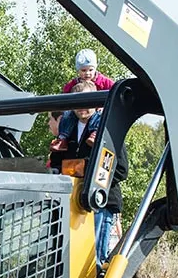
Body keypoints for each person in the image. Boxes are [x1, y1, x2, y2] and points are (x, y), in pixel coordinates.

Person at [49, 86, 130, 264]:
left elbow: (121, 169)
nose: (82, 107)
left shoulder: (107, 131)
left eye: (87, 102)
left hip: (99, 202)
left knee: (94, 260)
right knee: (69, 260)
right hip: (72, 203)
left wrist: (89, 174)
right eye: (78, 103)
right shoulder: (67, 130)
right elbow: (56, 162)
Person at [49, 49, 115, 137]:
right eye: (83, 70)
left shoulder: (104, 82)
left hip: (97, 111)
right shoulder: (74, 83)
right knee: (67, 115)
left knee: (100, 114)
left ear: (95, 68)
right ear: (78, 70)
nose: (87, 73)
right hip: (79, 113)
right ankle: (63, 136)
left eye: (91, 70)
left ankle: (95, 133)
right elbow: (65, 94)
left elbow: (115, 92)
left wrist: (104, 105)